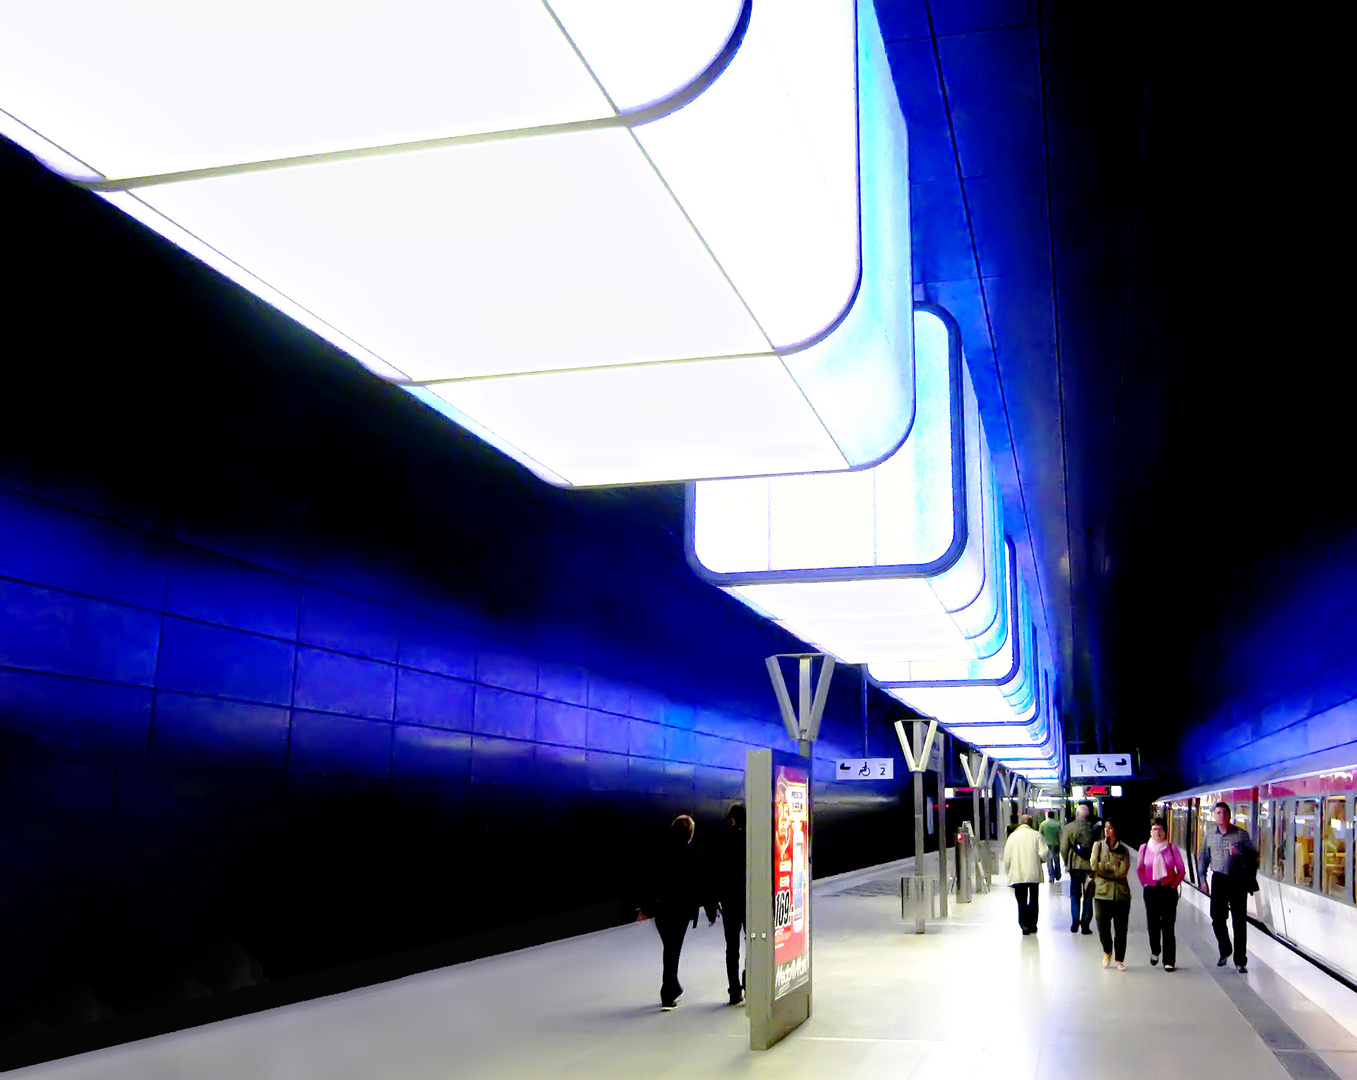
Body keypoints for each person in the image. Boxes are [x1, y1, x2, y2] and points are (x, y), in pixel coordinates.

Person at [639, 814, 715, 1010]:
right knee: (673, 948)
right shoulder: (693, 854)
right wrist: (710, 907)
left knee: (669, 947)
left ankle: (673, 987)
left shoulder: (660, 853)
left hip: (662, 907)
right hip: (681, 908)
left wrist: (646, 908)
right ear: (690, 834)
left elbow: (650, 880)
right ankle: (668, 991)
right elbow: (701, 884)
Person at [1198, 801, 1258, 972]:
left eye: (1225, 813)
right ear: (1214, 816)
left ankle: (1240, 961)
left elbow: (1254, 856)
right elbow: (1203, 857)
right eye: (1218, 813)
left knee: (1239, 922)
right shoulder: (1209, 835)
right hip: (1219, 880)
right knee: (1217, 918)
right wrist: (1202, 880)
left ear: (1229, 815)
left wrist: (1240, 853)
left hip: (1237, 880)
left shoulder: (1241, 835)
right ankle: (1225, 949)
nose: (1222, 816)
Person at [1137, 817, 1186, 971]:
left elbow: (1181, 870)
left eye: (1160, 829)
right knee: (1152, 924)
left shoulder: (1171, 848)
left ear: (1165, 832)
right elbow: (1140, 869)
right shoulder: (1144, 848)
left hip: (1168, 891)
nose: (1157, 832)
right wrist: (1145, 884)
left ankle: (1169, 960)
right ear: (1150, 831)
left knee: (1168, 926)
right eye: (1154, 829)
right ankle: (1155, 950)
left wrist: (1173, 886)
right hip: (1151, 890)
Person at [711, 803, 746, 1005]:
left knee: (731, 947)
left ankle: (734, 991)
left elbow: (714, 870)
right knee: (755, 942)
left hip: (729, 901)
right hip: (750, 899)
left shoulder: (723, 838)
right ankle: (750, 981)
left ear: (732, 819)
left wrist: (714, 899)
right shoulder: (754, 838)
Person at [1090, 820, 1132, 969]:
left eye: (1111, 827)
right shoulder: (1098, 846)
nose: (1107, 830)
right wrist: (1110, 867)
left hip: (1121, 895)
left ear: (1116, 830)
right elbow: (1094, 865)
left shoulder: (1124, 850)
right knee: (1103, 926)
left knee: (1121, 929)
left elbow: (1123, 872)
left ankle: (1119, 958)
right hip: (1102, 894)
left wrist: (1108, 871)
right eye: (1106, 827)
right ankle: (1107, 951)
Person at [1002, 813, 1047, 934]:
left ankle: (1023, 925)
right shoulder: (1036, 835)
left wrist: (1008, 872)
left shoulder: (1012, 837)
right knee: (1033, 900)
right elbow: (1043, 853)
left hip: (1018, 874)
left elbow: (1006, 857)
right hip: (1033, 874)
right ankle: (1032, 924)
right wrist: (1040, 860)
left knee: (1021, 901)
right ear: (1031, 823)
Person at [1060, 804, 1097, 934]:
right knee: (1088, 895)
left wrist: (1066, 862)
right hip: (1089, 867)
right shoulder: (1094, 828)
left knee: (1075, 894)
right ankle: (1085, 924)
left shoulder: (1069, 828)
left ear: (1077, 814)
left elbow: (1064, 848)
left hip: (1075, 865)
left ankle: (1075, 921)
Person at [1038, 810, 1063, 882]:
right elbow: (1060, 835)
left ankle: (1051, 876)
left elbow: (1040, 835)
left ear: (1047, 815)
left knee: (1049, 861)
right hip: (1056, 845)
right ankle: (1058, 875)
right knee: (1057, 860)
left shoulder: (1043, 824)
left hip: (1047, 845)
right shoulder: (1057, 824)